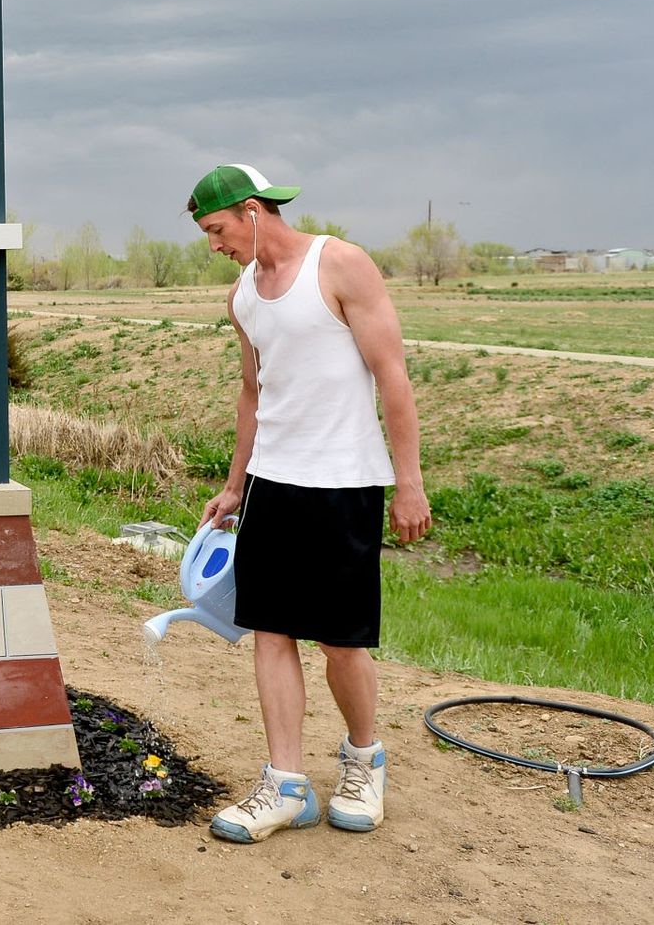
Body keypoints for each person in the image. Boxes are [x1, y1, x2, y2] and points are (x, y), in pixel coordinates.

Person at [187, 163, 431, 843]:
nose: (215, 245)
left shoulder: (340, 264)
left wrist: (407, 482)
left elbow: (393, 375)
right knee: (270, 630)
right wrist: (236, 484)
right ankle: (286, 784)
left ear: (252, 210)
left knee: (341, 640)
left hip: (343, 482)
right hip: (273, 482)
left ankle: (362, 761)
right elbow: (252, 391)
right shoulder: (243, 295)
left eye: (217, 229)